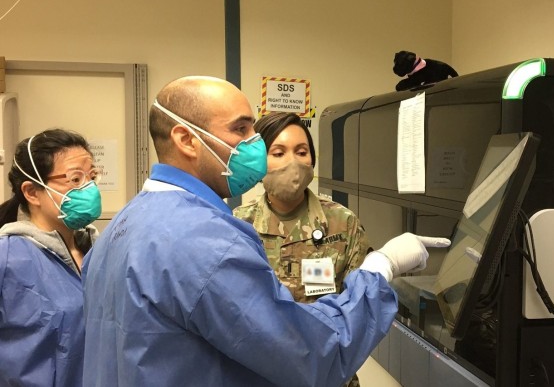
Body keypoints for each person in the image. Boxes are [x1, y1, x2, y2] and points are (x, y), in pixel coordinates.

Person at [82, 76, 450, 387]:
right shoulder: (208, 241)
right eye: (240, 129)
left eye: (255, 132)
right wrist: (381, 268)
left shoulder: (126, 223)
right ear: (186, 139)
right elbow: (313, 353)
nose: (253, 144)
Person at [233, 112, 368, 387]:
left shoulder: (343, 223)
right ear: (260, 163)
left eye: (302, 151)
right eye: (278, 152)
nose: (292, 163)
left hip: (329, 373)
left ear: (312, 159)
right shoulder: (238, 225)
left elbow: (359, 311)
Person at [0, 128, 102, 387]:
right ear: (32, 192)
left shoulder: (98, 250)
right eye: (75, 180)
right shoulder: (8, 259)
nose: (89, 188)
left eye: (92, 177)